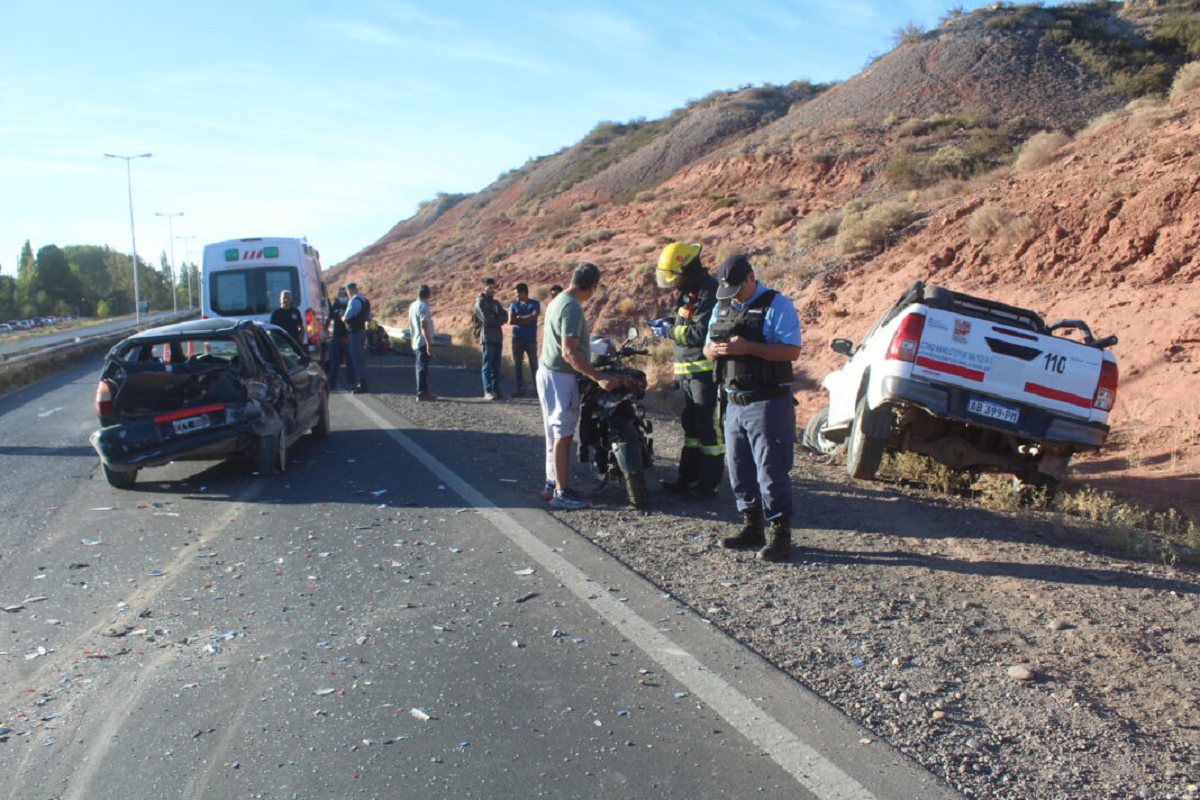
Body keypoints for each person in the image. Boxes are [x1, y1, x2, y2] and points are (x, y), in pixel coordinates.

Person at [703, 255, 802, 562]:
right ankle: (751, 527)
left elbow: (792, 350)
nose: (733, 296)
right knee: (739, 468)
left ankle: (780, 536)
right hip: (733, 401)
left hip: (767, 401)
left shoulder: (777, 305)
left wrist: (748, 348)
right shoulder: (722, 307)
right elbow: (706, 350)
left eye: (737, 288)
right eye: (727, 291)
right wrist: (715, 351)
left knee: (771, 471)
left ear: (750, 278)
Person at [537, 263, 620, 510]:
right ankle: (561, 493)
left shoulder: (558, 300)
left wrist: (593, 344)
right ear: (593, 286)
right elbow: (569, 352)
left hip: (548, 373)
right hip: (561, 377)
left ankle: (552, 483)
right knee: (564, 435)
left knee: (553, 433)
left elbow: (565, 342)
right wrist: (598, 376)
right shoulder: (572, 308)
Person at [648, 242, 723, 501]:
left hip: (704, 374)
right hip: (688, 374)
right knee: (691, 428)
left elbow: (699, 333)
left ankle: (708, 485)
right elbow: (685, 322)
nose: (674, 283)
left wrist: (668, 331)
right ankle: (688, 478)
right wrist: (670, 322)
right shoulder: (690, 291)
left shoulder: (708, 292)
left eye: (676, 276)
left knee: (707, 430)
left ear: (687, 270)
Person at [473, 277, 508, 400]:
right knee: (487, 365)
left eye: (494, 287)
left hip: (497, 337)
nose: (492, 290)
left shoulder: (496, 303)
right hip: (487, 336)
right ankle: (487, 391)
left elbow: (505, 316)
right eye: (490, 287)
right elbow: (487, 320)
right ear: (484, 287)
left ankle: (496, 390)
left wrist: (495, 318)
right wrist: (497, 319)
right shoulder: (480, 302)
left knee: (496, 365)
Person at [509, 283, 540, 397]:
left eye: (517, 292)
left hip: (530, 338)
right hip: (517, 338)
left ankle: (537, 389)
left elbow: (535, 316)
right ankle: (519, 388)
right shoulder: (514, 305)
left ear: (524, 292)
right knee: (517, 364)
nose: (516, 295)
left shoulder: (534, 303)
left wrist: (520, 317)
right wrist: (528, 318)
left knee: (533, 364)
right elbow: (511, 321)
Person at [408, 284, 437, 401]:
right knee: (422, 368)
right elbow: (424, 325)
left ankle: (423, 391)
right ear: (428, 295)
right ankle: (422, 392)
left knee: (420, 366)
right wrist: (429, 343)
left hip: (416, 339)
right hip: (422, 341)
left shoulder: (413, 305)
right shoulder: (423, 306)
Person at [325, 287, 356, 391]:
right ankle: (331, 384)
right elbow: (329, 318)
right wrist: (324, 330)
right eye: (340, 293)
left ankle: (351, 383)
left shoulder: (351, 304)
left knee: (350, 363)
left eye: (344, 293)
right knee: (334, 362)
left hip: (348, 337)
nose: (342, 295)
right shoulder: (335, 304)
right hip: (337, 337)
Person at [343, 282, 371, 394]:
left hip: (354, 332)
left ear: (349, 291)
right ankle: (364, 382)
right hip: (362, 331)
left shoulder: (353, 301)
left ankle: (362, 384)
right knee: (361, 358)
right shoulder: (364, 300)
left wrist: (341, 316)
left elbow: (347, 317)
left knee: (356, 358)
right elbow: (369, 317)